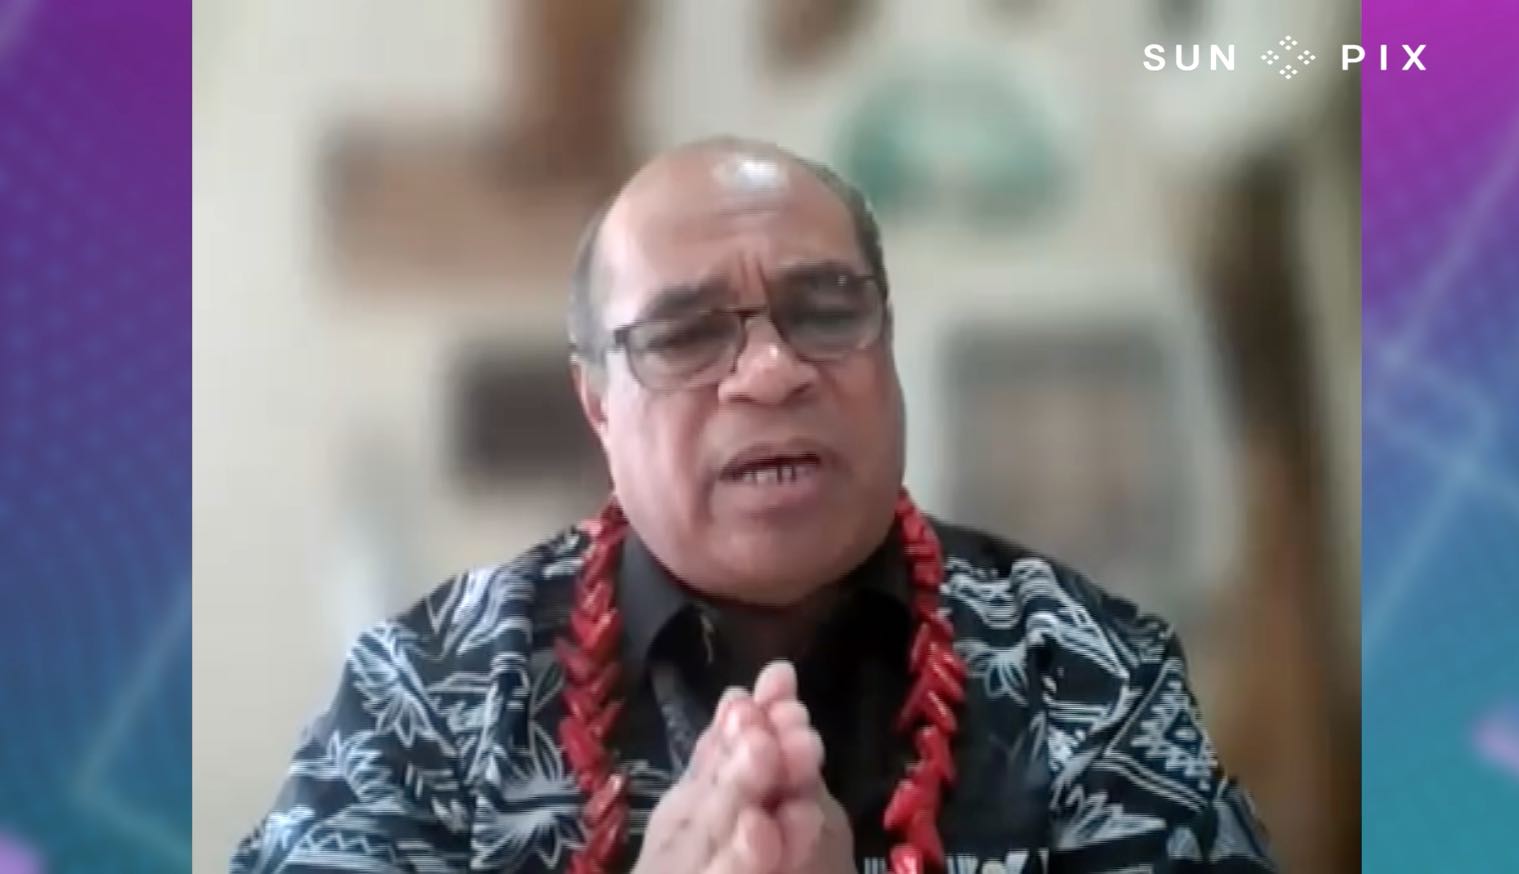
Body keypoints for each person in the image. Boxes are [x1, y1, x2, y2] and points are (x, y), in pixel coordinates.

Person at [231, 138, 1276, 874]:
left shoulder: (1092, 668)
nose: (772, 371)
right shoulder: (424, 696)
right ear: (598, 405)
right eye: (686, 334)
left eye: (824, 310)